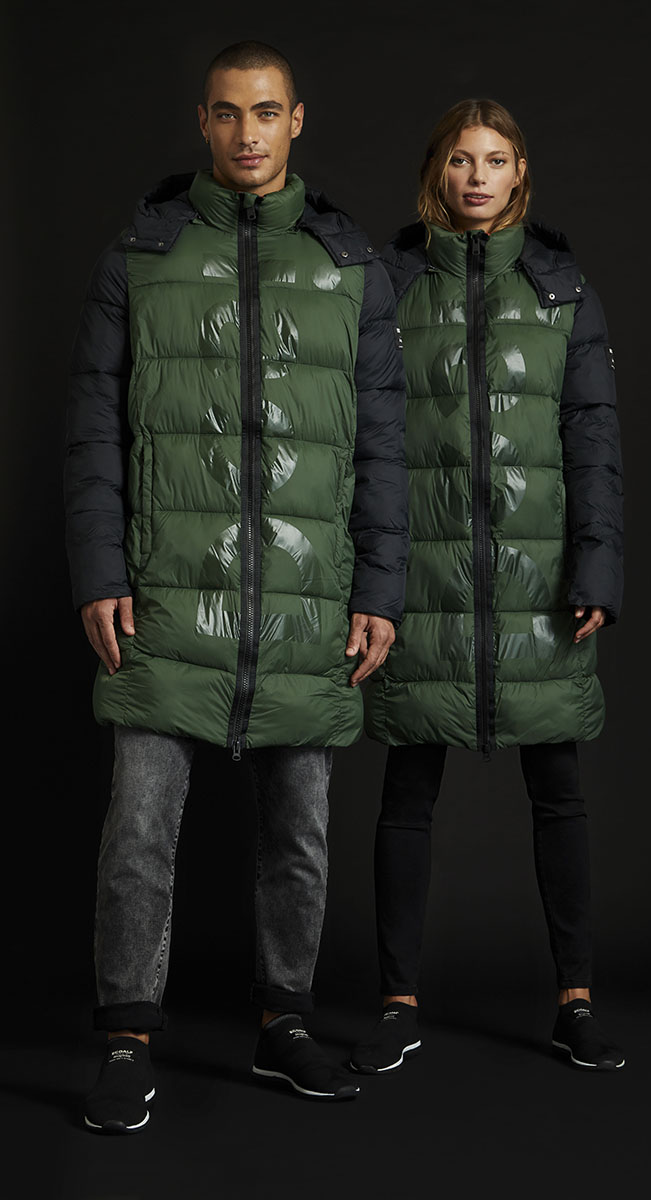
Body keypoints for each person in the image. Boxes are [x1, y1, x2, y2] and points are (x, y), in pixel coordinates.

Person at [65, 40, 408, 1132]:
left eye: (265, 112)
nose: (246, 132)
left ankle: (284, 1024)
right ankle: (127, 1041)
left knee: (297, 835)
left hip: (308, 600)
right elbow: (93, 429)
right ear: (204, 122)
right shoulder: (141, 256)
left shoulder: (351, 266)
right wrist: (98, 571)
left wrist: (380, 589)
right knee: (138, 833)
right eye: (227, 112)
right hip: (166, 592)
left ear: (296, 119)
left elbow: (383, 448)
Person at [349, 99, 624, 1075]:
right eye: (461, 160)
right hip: (420, 576)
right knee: (406, 791)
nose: (476, 177)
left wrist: (596, 564)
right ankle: (397, 1002)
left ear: (518, 174)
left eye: (495, 159)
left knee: (558, 791)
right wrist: (369, 576)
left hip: (538, 579)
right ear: (438, 170)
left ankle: (575, 1001)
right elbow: (362, 437)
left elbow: (592, 438)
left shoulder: (561, 291)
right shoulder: (388, 284)